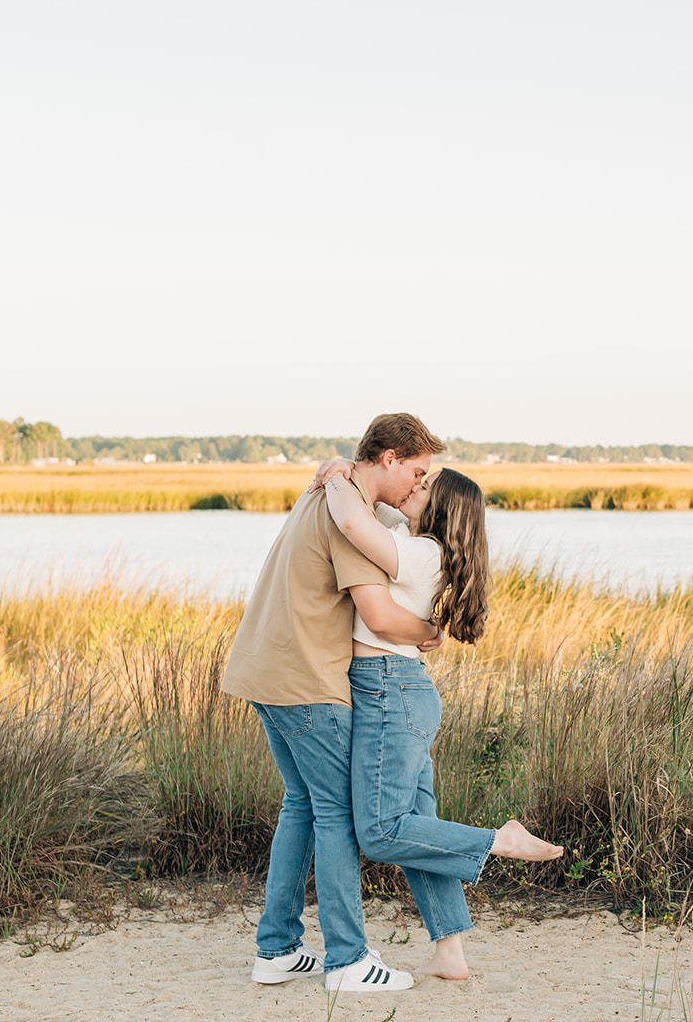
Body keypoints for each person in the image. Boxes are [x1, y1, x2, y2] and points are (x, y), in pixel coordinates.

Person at [220, 413, 447, 994]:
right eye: (417, 473)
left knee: (302, 803)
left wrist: (340, 468)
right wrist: (430, 632)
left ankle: (277, 949)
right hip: (308, 682)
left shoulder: (324, 492)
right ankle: (347, 960)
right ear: (390, 458)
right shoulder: (354, 520)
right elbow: (378, 615)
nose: (419, 487)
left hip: (263, 670)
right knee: (339, 813)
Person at [313, 458, 564, 982]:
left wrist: (334, 478)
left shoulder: (422, 553)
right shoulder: (422, 543)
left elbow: (355, 523)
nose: (413, 485)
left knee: (381, 832)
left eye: (423, 486)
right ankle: (450, 953)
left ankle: (497, 840)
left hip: (388, 692)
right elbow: (378, 503)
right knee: (418, 825)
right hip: (403, 692)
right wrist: (352, 470)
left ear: (441, 509)